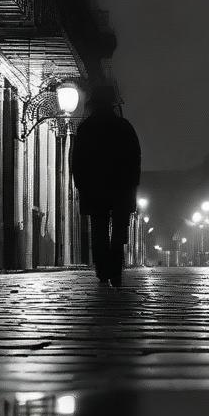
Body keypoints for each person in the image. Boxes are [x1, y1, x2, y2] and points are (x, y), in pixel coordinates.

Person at [70, 83, 142, 287]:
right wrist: (132, 185)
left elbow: (77, 159)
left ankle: (102, 270)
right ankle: (115, 272)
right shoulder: (124, 127)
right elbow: (135, 159)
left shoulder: (86, 128)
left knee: (99, 230)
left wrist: (80, 183)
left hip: (95, 188)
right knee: (119, 230)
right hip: (121, 188)